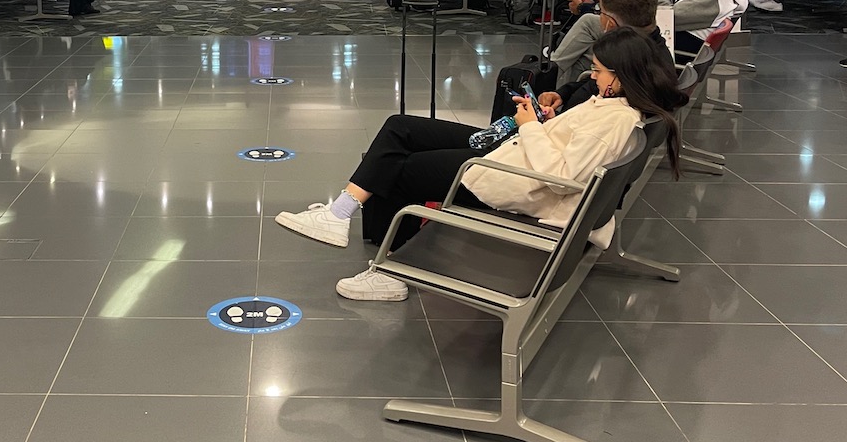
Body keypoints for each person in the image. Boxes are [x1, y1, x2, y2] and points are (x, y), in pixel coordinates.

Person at [274, 29, 688, 300]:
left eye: (597, 71)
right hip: (512, 154)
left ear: (618, 75)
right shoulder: (614, 107)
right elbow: (569, 153)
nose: (592, 77)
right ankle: (340, 212)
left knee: (398, 169)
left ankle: (395, 271)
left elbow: (560, 178)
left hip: (511, 177)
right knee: (399, 128)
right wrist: (537, 122)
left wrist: (529, 128)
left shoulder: (612, 121)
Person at [550, 0, 669, 82]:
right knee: (588, 23)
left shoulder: (623, 72)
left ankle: (549, 73)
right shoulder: (655, 51)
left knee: (581, 59)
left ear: (610, 24)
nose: (598, 14)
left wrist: (564, 95)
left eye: (600, 11)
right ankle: (552, 70)